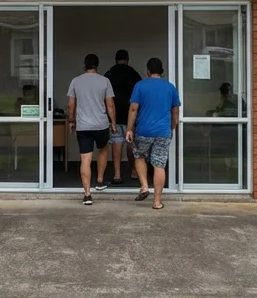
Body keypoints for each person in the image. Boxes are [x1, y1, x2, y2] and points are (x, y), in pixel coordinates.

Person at [126, 57, 180, 210]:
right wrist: (172, 126)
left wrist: (129, 128)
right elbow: (175, 110)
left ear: (148, 71)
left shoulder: (140, 86)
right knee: (159, 164)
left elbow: (134, 109)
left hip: (143, 130)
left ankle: (144, 186)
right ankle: (157, 202)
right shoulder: (170, 87)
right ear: (161, 71)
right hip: (163, 131)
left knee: (139, 155)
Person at [66, 53, 116, 204]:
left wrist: (71, 120)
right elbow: (110, 105)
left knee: (85, 159)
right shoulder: (105, 81)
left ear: (84, 66)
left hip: (83, 126)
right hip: (101, 124)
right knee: (103, 149)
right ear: (97, 66)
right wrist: (113, 122)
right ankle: (100, 180)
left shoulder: (75, 81)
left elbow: (70, 105)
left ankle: (87, 194)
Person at [103, 49, 142, 185]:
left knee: (116, 143)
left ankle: (117, 174)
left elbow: (105, 97)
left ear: (115, 59)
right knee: (131, 143)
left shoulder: (108, 75)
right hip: (131, 114)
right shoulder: (134, 75)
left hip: (114, 115)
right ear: (128, 59)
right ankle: (133, 171)